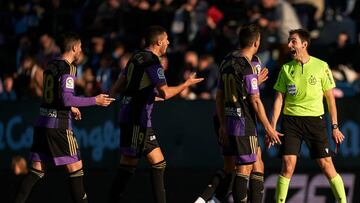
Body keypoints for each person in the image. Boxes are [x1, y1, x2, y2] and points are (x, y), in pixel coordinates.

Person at [14, 32, 115, 203]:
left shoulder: (50, 65)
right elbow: (67, 98)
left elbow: (55, 96)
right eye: (81, 47)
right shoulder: (69, 67)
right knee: (76, 169)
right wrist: (95, 100)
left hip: (42, 123)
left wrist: (72, 106)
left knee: (36, 171)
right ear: (75, 47)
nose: (81, 50)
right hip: (58, 126)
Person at [108, 25, 203, 203]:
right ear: (159, 42)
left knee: (155, 162)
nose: (168, 42)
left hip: (132, 115)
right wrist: (186, 84)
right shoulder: (153, 61)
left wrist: (113, 95)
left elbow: (122, 82)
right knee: (130, 164)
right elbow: (165, 93)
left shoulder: (135, 57)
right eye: (166, 39)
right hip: (138, 118)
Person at [195, 24, 282, 203]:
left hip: (226, 120)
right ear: (256, 42)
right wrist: (268, 128)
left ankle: (208, 200)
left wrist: (222, 125)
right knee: (244, 169)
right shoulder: (248, 66)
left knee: (245, 165)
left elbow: (219, 96)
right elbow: (255, 100)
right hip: (243, 122)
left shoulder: (227, 60)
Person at [271, 28, 347, 203]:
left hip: (315, 121)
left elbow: (330, 100)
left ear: (304, 45)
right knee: (288, 166)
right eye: (289, 41)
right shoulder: (285, 68)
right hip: (291, 122)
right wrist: (272, 126)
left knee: (326, 166)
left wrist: (335, 126)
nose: (289, 45)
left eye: (293, 41)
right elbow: (278, 99)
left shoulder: (321, 66)